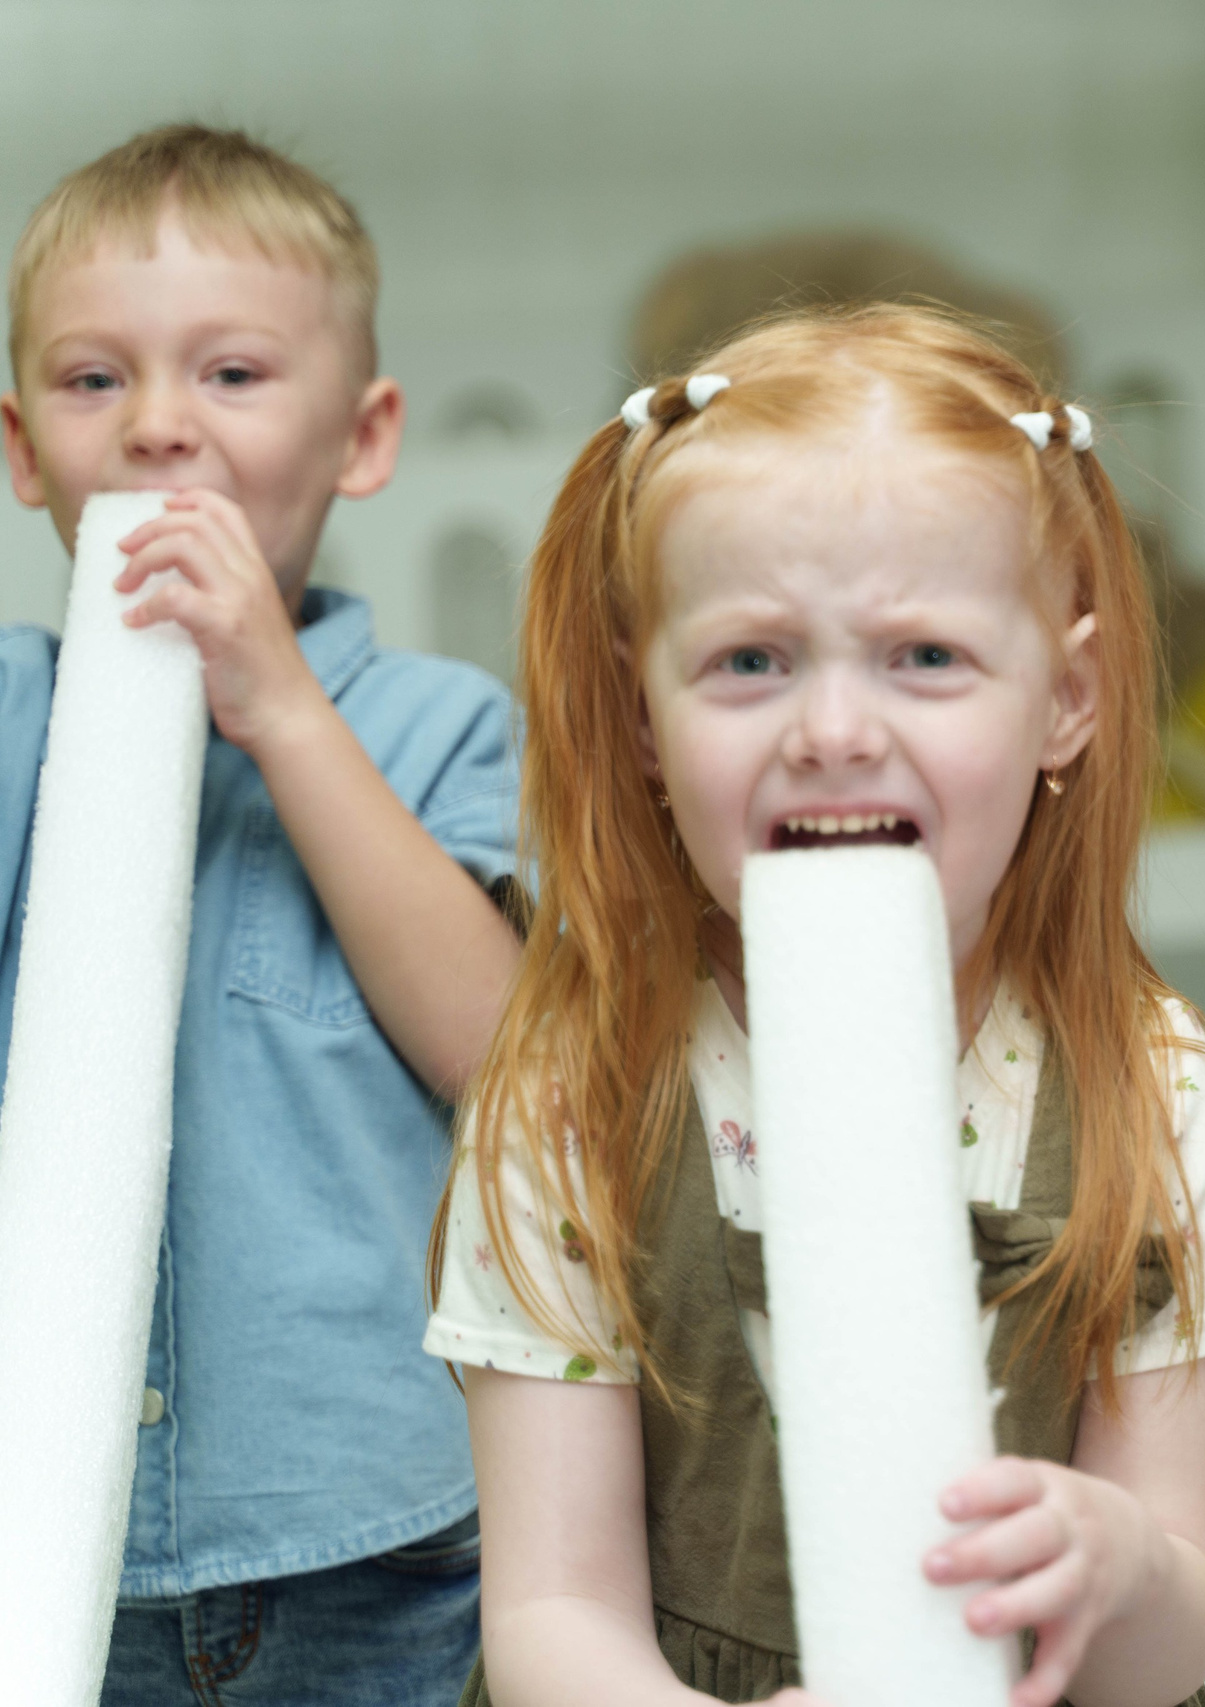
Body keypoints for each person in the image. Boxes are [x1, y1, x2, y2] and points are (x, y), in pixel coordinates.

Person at [426, 305, 1205, 1707]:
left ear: (1065, 697)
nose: (832, 729)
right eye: (751, 661)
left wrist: (1123, 1562)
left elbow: (1171, 1642)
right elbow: (552, 1611)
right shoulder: (573, 1101)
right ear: (646, 721)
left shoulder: (1158, 1096)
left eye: (925, 658)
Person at [0, 126, 521, 1703]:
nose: (161, 427)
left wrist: (281, 708)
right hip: (37, 1531)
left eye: (231, 375)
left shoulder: (433, 721)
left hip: (366, 1542)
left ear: (361, 438)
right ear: (23, 452)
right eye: (96, 381)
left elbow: (502, 1043)